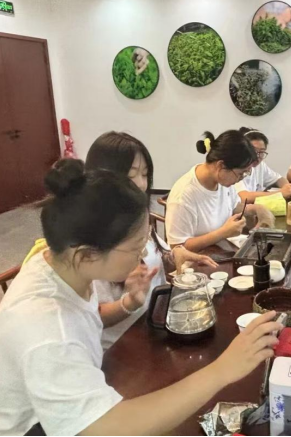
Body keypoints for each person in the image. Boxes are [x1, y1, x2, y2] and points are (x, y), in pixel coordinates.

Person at [0, 159, 282, 436]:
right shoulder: (48, 328)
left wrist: (127, 304)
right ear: (87, 254)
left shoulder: (57, 262)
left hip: (46, 412)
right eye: (135, 247)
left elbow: (85, 319)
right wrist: (222, 370)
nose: (142, 254)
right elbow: (106, 428)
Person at [84, 131, 217, 350]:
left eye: (145, 175)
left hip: (157, 325)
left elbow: (156, 259)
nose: (141, 184)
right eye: (131, 175)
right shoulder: (91, 239)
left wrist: (175, 256)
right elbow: (93, 317)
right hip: (123, 346)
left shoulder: (138, 215)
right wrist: (129, 303)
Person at [166, 130, 275, 251]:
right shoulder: (184, 196)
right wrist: (223, 233)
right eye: (240, 174)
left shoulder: (222, 181)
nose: (241, 179)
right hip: (198, 259)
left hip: (221, 250)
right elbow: (177, 248)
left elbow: (233, 206)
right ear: (220, 166)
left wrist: (258, 208)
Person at [235, 127, 291, 202]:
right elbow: (244, 197)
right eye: (254, 151)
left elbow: (279, 179)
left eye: (262, 152)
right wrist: (280, 193)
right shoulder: (236, 167)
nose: (258, 156)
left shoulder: (260, 165)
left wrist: (288, 188)